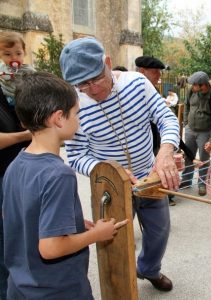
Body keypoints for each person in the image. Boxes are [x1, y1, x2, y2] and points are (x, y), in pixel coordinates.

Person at [60, 37, 180, 292]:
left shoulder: (137, 83)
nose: (91, 90)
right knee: (114, 243)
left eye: (95, 79)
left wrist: (166, 152)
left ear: (108, 62)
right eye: (82, 84)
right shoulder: (74, 105)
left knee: (159, 232)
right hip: (110, 186)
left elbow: (166, 119)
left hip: (150, 176)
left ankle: (148, 269)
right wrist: (110, 172)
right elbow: (76, 156)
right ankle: (118, 289)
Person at [2, 72, 128, 299]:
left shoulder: (15, 165)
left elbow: (14, 217)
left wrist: (74, 224)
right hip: (57, 291)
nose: (78, 120)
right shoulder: (59, 174)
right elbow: (50, 248)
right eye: (76, 114)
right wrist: (97, 234)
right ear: (59, 118)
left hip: (20, 288)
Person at [0, 31, 33, 299]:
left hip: (23, 171)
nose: (13, 59)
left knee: (25, 236)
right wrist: (26, 135)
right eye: (6, 54)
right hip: (3, 175)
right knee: (5, 243)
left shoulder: (26, 82)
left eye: (18, 54)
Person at [181, 71, 211, 196]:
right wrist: (186, 124)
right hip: (190, 130)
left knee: (204, 159)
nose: (192, 87)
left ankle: (202, 183)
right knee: (189, 156)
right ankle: (186, 180)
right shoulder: (192, 92)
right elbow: (187, 106)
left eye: (194, 84)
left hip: (205, 132)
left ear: (203, 85)